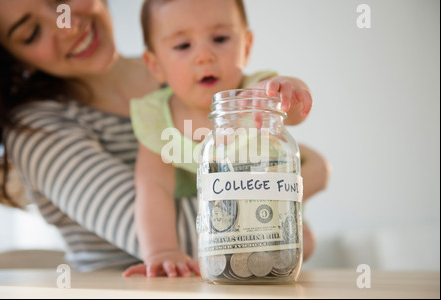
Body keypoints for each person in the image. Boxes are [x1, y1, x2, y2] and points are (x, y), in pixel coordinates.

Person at [0, 0, 327, 274]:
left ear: (246, 44)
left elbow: (288, 111)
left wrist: (291, 93)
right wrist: (300, 181)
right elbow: (183, 230)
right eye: (32, 32)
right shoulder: (40, 130)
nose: (66, 24)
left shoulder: (233, 87)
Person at [124, 0, 325, 278]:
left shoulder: (258, 92)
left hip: (266, 221)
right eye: (183, 45)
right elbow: (152, 187)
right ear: (155, 64)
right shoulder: (157, 118)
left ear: (246, 46)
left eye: (220, 39)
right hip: (210, 232)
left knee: (306, 242)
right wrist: (161, 252)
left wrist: (285, 89)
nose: (204, 55)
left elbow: (294, 113)